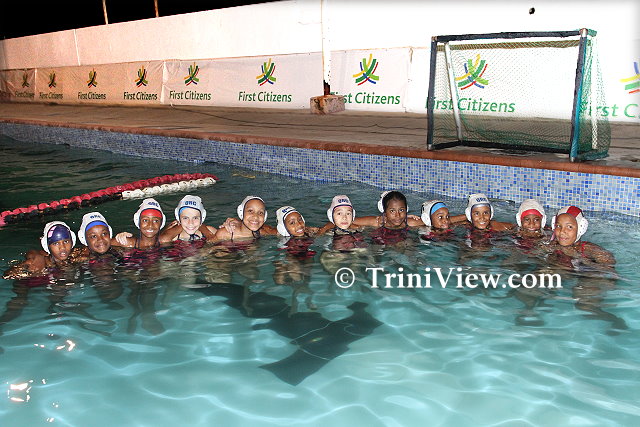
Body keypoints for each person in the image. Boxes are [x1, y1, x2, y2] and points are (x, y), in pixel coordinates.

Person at [3, 221, 78, 279]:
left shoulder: (76, 256)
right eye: (56, 243)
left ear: (72, 242)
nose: (62, 247)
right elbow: (7, 275)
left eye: (66, 241)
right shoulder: (39, 263)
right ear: (47, 246)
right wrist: (28, 275)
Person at [547, 206, 614, 265]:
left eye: (569, 227)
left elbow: (609, 270)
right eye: (558, 226)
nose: (562, 231)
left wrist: (579, 258)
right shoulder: (552, 246)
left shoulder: (592, 250)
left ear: (581, 228)